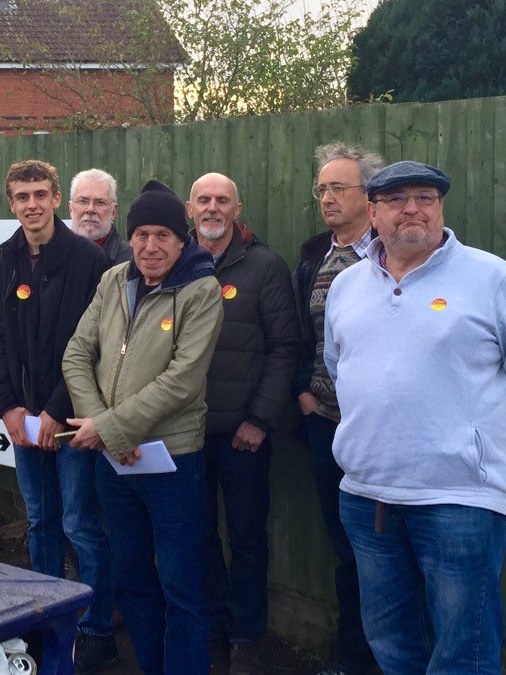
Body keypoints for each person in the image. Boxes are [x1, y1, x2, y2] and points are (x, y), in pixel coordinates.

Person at [324, 161, 506, 673]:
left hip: (458, 499)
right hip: (367, 498)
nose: (413, 208)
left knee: (464, 650)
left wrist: (473, 435)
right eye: (396, 199)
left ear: (440, 207)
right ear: (372, 212)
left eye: (426, 197)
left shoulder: (495, 280)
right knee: (391, 642)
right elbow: (339, 369)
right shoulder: (346, 288)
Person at [62, 179, 223, 675]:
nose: (150, 246)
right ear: (129, 237)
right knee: (131, 579)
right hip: (117, 460)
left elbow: (182, 381)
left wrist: (109, 429)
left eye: (163, 236)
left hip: (172, 461)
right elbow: (76, 355)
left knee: (181, 587)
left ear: (182, 240)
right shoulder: (113, 281)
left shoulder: (202, 289)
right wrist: (107, 430)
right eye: (141, 234)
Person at [0, 160, 116, 674]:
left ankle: (94, 627)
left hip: (71, 421)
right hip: (24, 420)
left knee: (80, 525)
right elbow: (0, 337)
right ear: (11, 203)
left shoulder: (88, 260)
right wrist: (9, 407)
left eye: (41, 194)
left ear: (57, 198)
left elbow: (94, 349)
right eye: (22, 196)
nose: (31, 205)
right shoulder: (9, 255)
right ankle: (43, 617)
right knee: (40, 522)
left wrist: (53, 414)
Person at [189, 173, 300, 675]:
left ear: (238, 208)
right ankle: (212, 626)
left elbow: (285, 349)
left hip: (243, 435)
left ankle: (245, 637)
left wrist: (260, 418)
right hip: (183, 433)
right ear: (190, 209)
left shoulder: (265, 266)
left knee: (248, 537)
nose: (213, 208)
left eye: (222, 201)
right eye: (204, 200)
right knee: (198, 535)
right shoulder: (171, 262)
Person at [292, 142, 384, 675]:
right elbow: (299, 337)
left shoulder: (387, 253)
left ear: (368, 197)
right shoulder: (314, 258)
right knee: (344, 546)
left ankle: (380, 657)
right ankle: (352, 657)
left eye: (337, 188)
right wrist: (304, 394)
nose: (326, 197)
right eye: (321, 189)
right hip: (326, 426)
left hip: (380, 431)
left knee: (382, 552)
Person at [68, 168, 131, 265]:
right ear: (71, 209)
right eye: (83, 201)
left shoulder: (130, 261)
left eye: (100, 203)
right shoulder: (50, 252)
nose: (90, 209)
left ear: (114, 212)